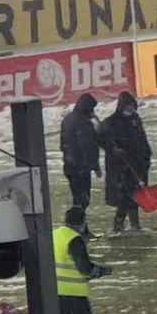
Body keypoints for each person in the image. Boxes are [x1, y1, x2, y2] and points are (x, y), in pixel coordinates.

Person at [53, 206, 112, 314]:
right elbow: (85, 268)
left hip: (55, 292)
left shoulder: (55, 235)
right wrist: (102, 271)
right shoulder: (74, 240)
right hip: (74, 293)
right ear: (82, 222)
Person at [98, 91, 152, 233]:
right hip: (121, 167)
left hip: (137, 164)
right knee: (124, 198)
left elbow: (142, 138)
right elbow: (102, 139)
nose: (131, 110)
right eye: (129, 107)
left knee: (135, 197)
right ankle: (119, 225)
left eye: (133, 107)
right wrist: (114, 149)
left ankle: (134, 224)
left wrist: (146, 154)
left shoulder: (135, 120)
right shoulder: (111, 123)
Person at [59, 93, 101, 221]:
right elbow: (87, 146)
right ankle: (79, 226)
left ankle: (79, 225)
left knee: (78, 198)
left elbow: (64, 145)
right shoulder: (82, 122)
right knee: (83, 199)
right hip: (80, 167)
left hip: (70, 165)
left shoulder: (69, 119)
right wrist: (95, 166)